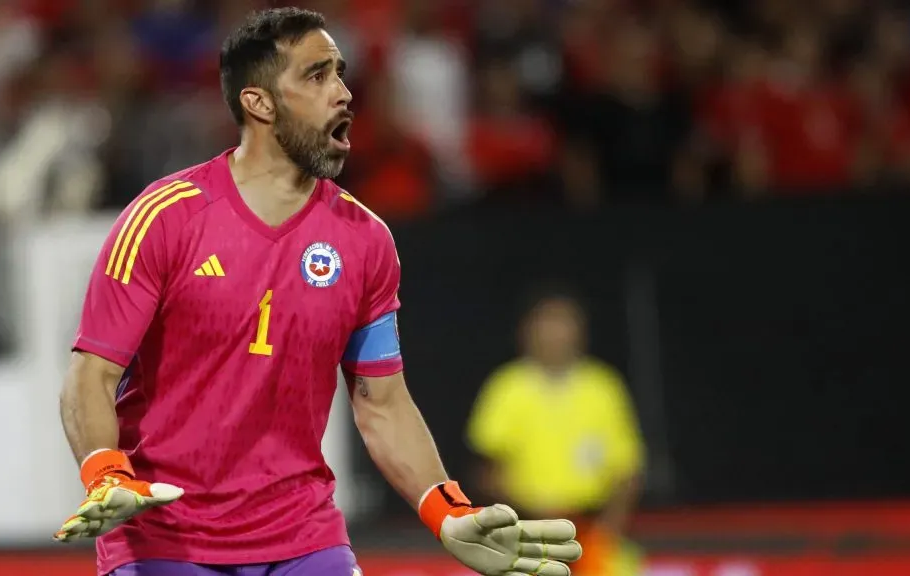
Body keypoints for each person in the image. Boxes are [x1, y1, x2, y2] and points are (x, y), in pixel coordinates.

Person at [52, 7, 582, 576]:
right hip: (166, 541)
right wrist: (105, 471)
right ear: (259, 102)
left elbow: (383, 404)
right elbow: (91, 375)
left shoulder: (365, 241)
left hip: (303, 538)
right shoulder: (163, 218)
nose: (344, 93)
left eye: (340, 73)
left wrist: (447, 510)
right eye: (316, 75)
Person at [466, 285, 645, 576]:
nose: (556, 334)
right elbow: (487, 472)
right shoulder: (507, 387)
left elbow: (627, 473)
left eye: (565, 323)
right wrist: (531, 515)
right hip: (525, 528)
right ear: (526, 331)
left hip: (591, 528)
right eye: (547, 323)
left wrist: (606, 531)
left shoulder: (604, 387)